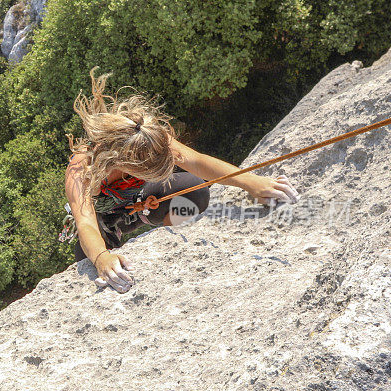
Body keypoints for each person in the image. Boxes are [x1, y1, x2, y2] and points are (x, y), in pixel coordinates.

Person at [64, 66, 299, 293]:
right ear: (120, 161)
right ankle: (113, 250)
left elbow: (196, 162)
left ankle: (167, 238)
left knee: (195, 191)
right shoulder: (81, 167)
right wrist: (102, 257)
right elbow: (86, 223)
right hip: (105, 220)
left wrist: (251, 182)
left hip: (142, 201)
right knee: (92, 262)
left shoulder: (147, 137)